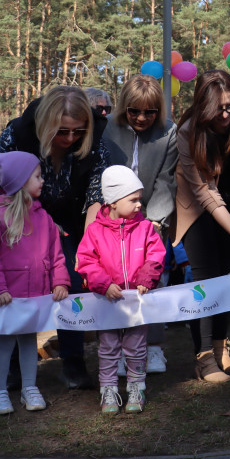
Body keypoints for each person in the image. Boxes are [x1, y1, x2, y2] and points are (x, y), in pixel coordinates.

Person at [0, 85, 111, 390]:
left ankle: (73, 361)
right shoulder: (18, 134)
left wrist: (86, 245)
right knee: (16, 288)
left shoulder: (94, 145)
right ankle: (13, 367)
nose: (69, 139)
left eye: (78, 131)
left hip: (71, 221)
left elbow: (96, 195)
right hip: (19, 219)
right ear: (46, 125)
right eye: (62, 131)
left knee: (72, 282)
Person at [175, 69, 230, 382]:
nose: (226, 114)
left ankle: (220, 349)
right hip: (197, 206)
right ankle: (204, 359)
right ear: (203, 106)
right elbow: (205, 193)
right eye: (218, 108)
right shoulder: (187, 130)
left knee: (226, 276)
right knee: (205, 279)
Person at [0, 152, 70, 415]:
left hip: (35, 295)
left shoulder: (44, 218)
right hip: (8, 296)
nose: (43, 181)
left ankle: (30, 387)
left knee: (29, 342)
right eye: (37, 176)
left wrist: (60, 281)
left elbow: (56, 253)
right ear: (19, 181)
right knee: (5, 343)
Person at [102, 74, 178, 374]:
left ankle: (154, 348)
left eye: (149, 112)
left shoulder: (168, 132)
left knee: (153, 282)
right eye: (134, 111)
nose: (142, 118)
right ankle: (120, 350)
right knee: (116, 283)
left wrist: (155, 223)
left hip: (150, 218)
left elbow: (166, 180)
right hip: (112, 219)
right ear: (124, 108)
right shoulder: (107, 129)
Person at [77, 166, 166, 413]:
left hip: (137, 302)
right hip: (107, 302)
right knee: (107, 347)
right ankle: (108, 389)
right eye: (133, 199)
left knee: (137, 346)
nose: (140, 204)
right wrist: (104, 284)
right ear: (114, 202)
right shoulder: (94, 231)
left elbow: (156, 255)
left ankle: (137, 387)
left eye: (140, 199)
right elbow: (86, 261)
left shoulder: (146, 228)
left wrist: (147, 278)